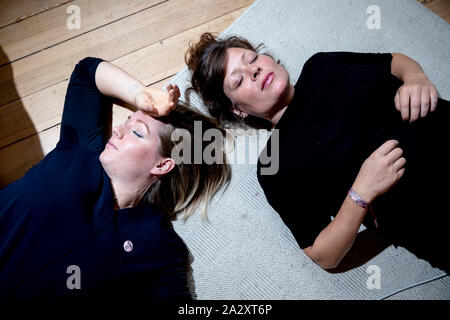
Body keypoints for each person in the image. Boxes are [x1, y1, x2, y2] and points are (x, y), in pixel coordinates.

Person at [185, 32, 450, 272]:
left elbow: (393, 61)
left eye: (252, 58)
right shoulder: (274, 164)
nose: (253, 69)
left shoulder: (321, 65)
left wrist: (415, 77)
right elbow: (323, 255)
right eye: (239, 79)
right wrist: (361, 192)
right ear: (237, 110)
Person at [0, 57, 231, 301]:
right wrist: (139, 95)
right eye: (126, 122)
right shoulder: (83, 151)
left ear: (163, 164)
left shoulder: (156, 245)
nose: (118, 131)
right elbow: (87, 73)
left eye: (136, 132)